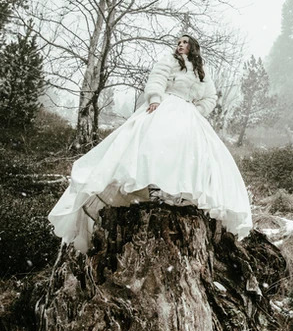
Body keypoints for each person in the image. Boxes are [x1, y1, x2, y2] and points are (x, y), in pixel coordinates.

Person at [48, 35, 252, 252]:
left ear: (193, 47)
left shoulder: (202, 71)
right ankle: (153, 190)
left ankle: (177, 194)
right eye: (179, 42)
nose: (180, 45)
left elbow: (211, 97)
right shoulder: (170, 61)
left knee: (190, 154)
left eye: (185, 42)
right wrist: (155, 98)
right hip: (165, 105)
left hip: (189, 114)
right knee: (153, 146)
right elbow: (157, 79)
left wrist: (196, 111)